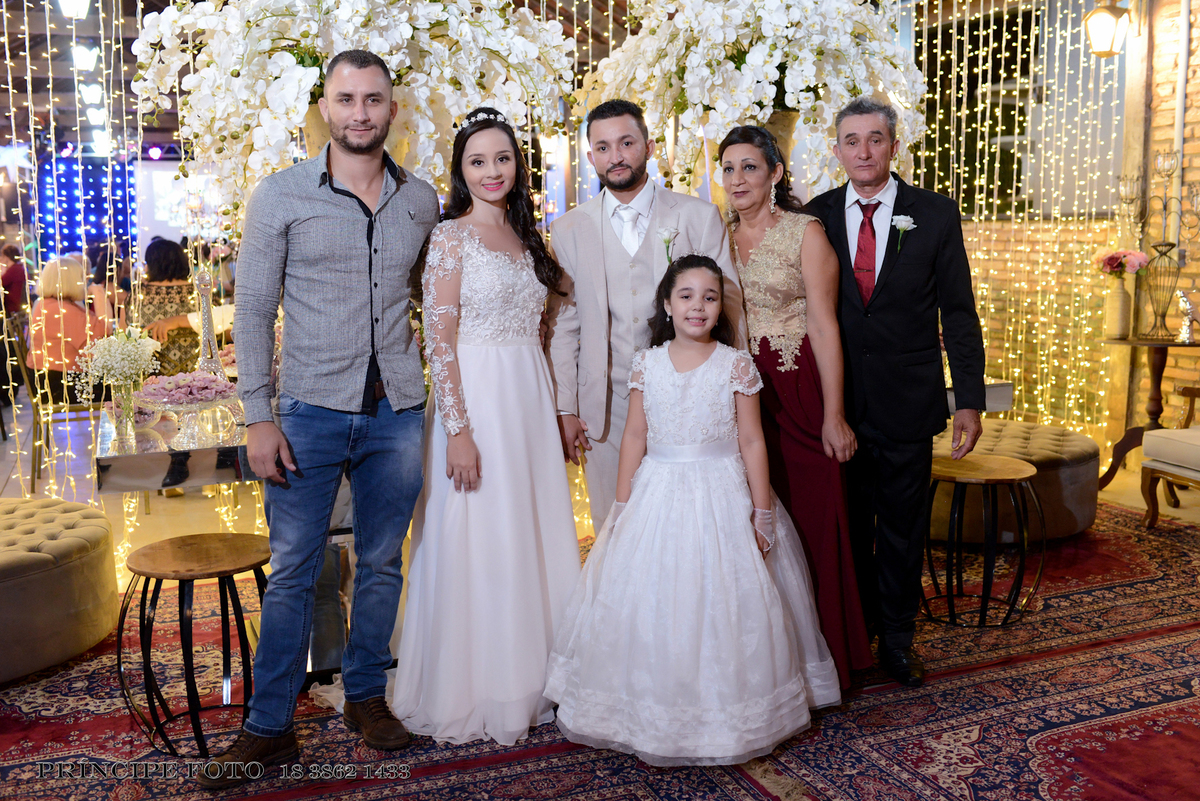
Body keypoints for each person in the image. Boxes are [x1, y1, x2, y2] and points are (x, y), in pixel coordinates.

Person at [201, 49, 439, 790]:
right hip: (306, 411)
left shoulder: (421, 200)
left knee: (383, 562)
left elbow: (436, 296)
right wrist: (257, 416)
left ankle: (365, 695)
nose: (360, 112)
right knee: (293, 573)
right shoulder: (281, 195)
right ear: (325, 107)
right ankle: (268, 726)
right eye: (346, 99)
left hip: (397, 411)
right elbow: (251, 309)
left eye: (373, 99)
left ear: (391, 109)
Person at [545, 255, 840, 766]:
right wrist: (622, 504)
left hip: (721, 493)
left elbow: (752, 441)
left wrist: (762, 513)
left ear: (720, 308)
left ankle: (725, 712)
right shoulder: (648, 363)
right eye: (686, 296)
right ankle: (652, 705)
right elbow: (635, 436)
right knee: (656, 597)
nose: (697, 306)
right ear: (667, 304)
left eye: (709, 297)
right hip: (658, 491)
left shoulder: (735, 364)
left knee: (723, 600)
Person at [391, 107, 581, 745]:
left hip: (526, 396)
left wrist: (556, 404)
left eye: (502, 159)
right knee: (482, 534)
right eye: (478, 161)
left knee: (529, 527)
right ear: (461, 170)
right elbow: (438, 341)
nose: (492, 171)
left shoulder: (531, 239)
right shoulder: (451, 238)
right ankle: (477, 684)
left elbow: (547, 326)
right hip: (476, 399)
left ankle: (537, 673)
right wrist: (458, 430)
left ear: (518, 167)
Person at [804, 98, 985, 688]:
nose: (863, 151)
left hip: (909, 401)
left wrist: (969, 399)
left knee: (904, 529)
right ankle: (856, 637)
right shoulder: (814, 217)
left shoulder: (934, 213)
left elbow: (958, 312)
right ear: (836, 150)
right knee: (849, 527)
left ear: (894, 146)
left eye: (875, 139)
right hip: (838, 405)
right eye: (851, 140)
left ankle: (899, 640)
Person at [719, 125, 872, 691]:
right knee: (752, 523)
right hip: (740, 392)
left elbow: (825, 326)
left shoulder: (805, 233)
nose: (738, 179)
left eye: (750, 167)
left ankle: (829, 657)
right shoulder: (718, 235)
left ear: (776, 173)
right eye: (729, 168)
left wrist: (834, 414)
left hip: (797, 386)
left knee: (814, 518)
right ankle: (770, 667)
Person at [545, 99, 747, 528]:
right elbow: (564, 326)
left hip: (690, 402)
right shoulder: (568, 229)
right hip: (605, 407)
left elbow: (729, 308)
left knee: (689, 528)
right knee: (615, 527)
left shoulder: (698, 216)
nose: (615, 156)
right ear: (590, 157)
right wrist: (564, 407)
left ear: (649, 147)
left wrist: (735, 394)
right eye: (603, 148)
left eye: (626, 143)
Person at [25, 256, 105, 403]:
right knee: (121, 387)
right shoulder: (61, 310)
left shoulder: (48, 304)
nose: (85, 281)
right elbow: (97, 347)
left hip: (50, 379)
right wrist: (99, 294)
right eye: (81, 277)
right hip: (61, 385)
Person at [137, 239, 198, 375]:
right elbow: (220, 330)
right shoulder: (200, 293)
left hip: (152, 380)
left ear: (150, 264)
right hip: (199, 378)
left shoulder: (137, 297)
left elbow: (126, 337)